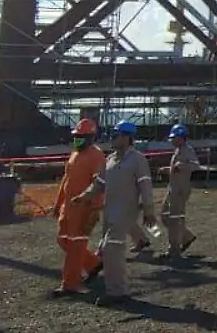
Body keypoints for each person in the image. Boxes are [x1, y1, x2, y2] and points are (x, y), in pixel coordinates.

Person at [73, 121, 156, 307]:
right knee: (108, 252)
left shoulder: (137, 160)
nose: (112, 138)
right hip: (110, 213)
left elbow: (145, 185)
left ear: (127, 137)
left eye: (115, 135)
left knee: (112, 251)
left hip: (125, 213)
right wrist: (83, 196)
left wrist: (149, 210)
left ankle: (117, 292)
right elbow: (99, 184)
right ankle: (116, 289)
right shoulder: (110, 160)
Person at [52, 118, 106, 298]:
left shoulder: (96, 155)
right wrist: (57, 203)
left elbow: (99, 184)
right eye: (76, 136)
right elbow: (65, 180)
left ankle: (71, 283)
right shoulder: (75, 153)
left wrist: (94, 210)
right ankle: (93, 263)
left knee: (75, 247)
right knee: (63, 240)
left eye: (81, 137)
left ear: (91, 137)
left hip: (84, 210)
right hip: (67, 209)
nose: (78, 140)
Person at [160, 123, 200, 261]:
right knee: (165, 216)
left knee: (174, 219)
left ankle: (174, 250)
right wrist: (167, 169)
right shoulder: (178, 150)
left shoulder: (187, 149)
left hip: (180, 190)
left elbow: (195, 165)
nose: (171, 140)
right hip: (173, 188)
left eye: (174, 138)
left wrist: (182, 166)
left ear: (181, 138)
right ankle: (187, 237)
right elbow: (177, 168)